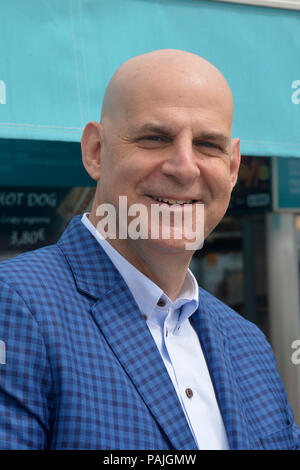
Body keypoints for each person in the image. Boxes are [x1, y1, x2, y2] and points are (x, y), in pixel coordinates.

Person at [0, 49, 299, 450]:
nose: (184, 166)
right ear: (96, 152)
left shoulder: (248, 344)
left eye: (208, 144)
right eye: (155, 138)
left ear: (231, 169)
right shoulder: (15, 305)